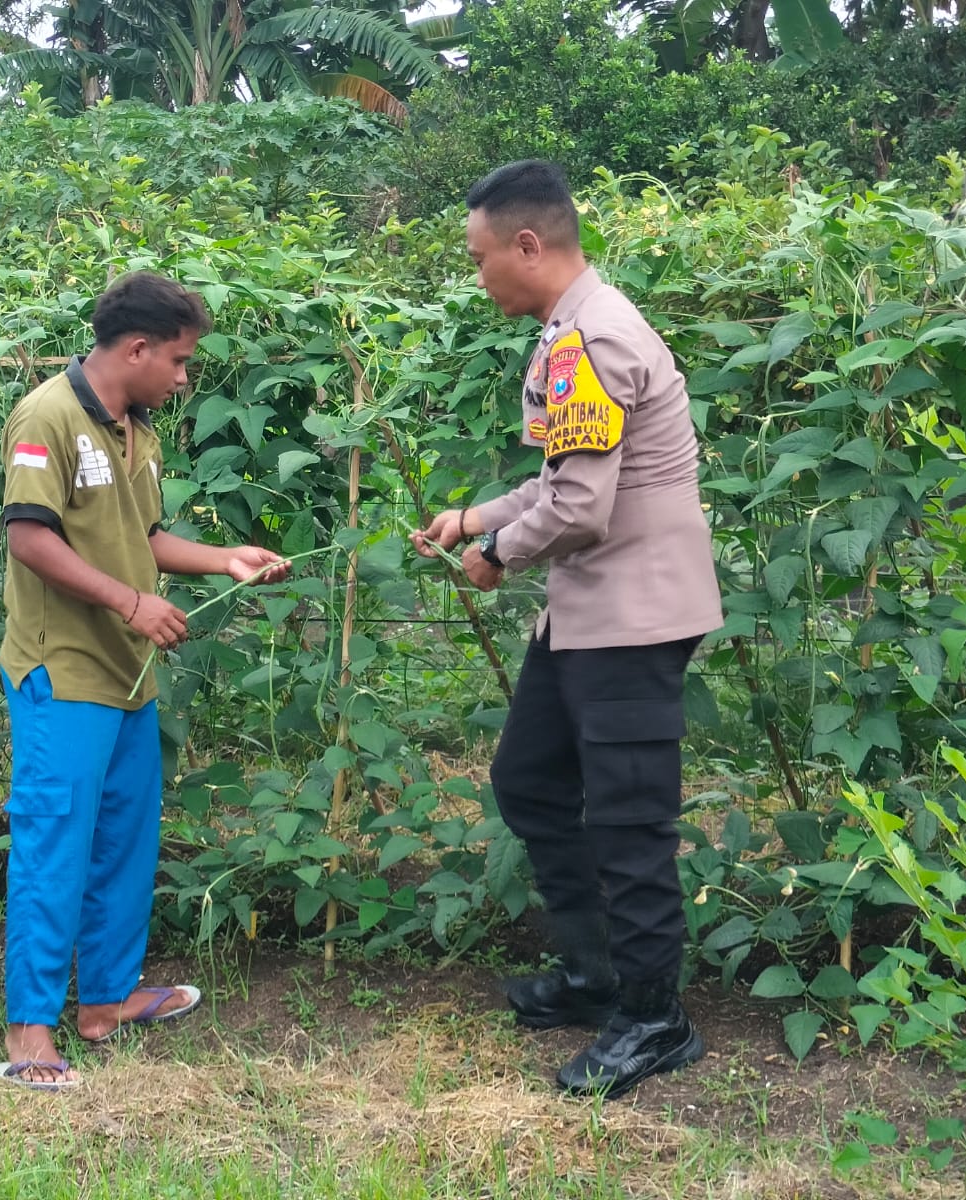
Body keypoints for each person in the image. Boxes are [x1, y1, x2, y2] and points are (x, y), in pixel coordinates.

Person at [412, 161, 723, 1100]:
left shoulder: (592, 336)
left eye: (478, 259)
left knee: (630, 822)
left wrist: (498, 551)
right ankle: (597, 979)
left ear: (527, 246)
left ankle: (654, 1019)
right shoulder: (571, 331)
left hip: (633, 616)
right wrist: (474, 519)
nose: (478, 279)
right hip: (590, 613)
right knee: (530, 780)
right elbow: (567, 479)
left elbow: (580, 508)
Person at [0, 272, 289, 1090]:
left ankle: (106, 1004)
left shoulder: (136, 430)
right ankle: (29, 1033)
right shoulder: (47, 415)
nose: (186, 376)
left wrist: (225, 559)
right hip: (65, 670)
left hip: (128, 677)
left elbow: (144, 536)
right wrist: (131, 604)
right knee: (55, 843)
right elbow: (29, 540)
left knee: (124, 843)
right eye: (182, 361)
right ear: (137, 348)